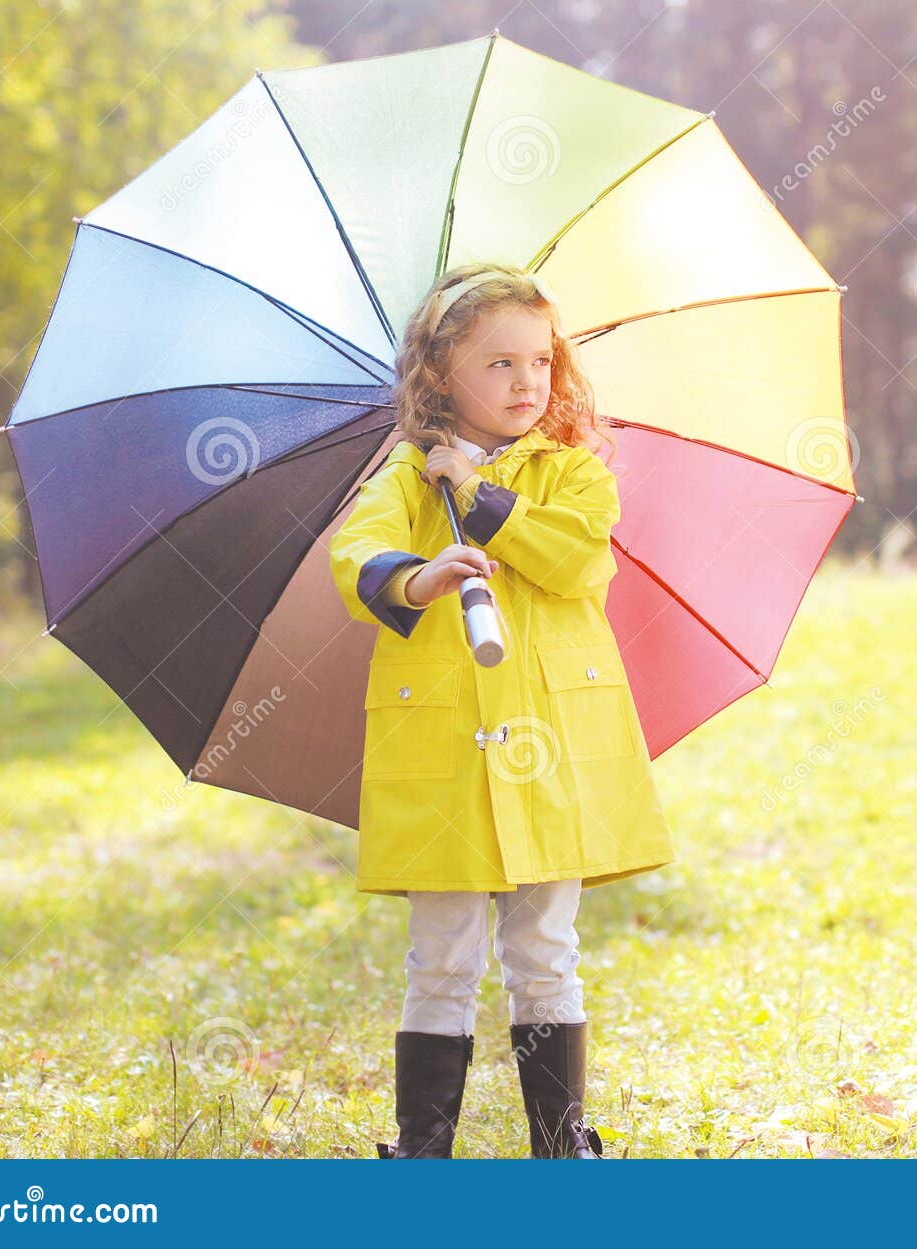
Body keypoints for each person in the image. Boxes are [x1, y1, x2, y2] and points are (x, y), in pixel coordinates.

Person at [327, 262, 675, 1160]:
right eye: (499, 365)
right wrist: (422, 570)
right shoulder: (409, 478)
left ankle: (560, 1144)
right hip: (444, 748)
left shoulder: (574, 476)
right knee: (442, 955)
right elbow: (354, 552)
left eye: (542, 362)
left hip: (550, 749)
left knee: (544, 948)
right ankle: (422, 1147)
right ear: (441, 374)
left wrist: (480, 498)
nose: (528, 382)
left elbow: (572, 560)